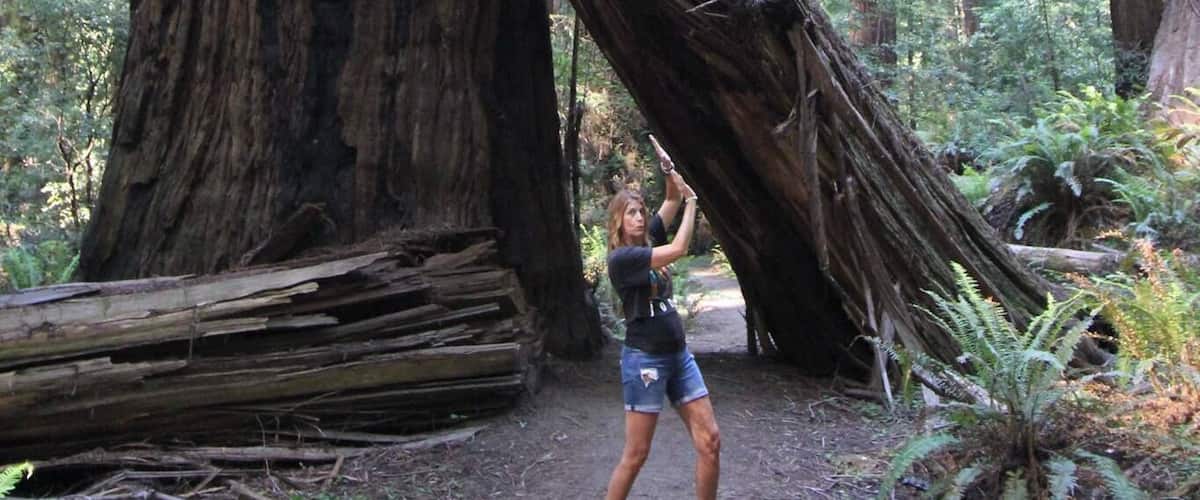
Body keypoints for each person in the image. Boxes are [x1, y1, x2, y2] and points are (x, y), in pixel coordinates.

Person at [604, 154, 720, 500]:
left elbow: (669, 199)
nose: (640, 218)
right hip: (645, 362)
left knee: (710, 441)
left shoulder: (647, 238)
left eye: (641, 212)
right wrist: (693, 201)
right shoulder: (623, 259)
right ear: (618, 221)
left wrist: (669, 171)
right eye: (631, 213)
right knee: (637, 454)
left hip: (679, 356)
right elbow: (681, 247)